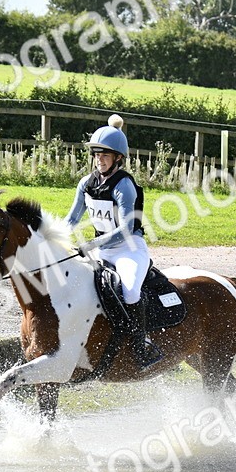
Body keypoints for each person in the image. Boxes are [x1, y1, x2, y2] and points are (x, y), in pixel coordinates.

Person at [66, 114, 164, 369]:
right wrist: (52, 238)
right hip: (101, 250)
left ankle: (141, 345)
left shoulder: (124, 185)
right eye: (97, 154)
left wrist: (92, 245)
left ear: (118, 158)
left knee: (130, 291)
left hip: (128, 250)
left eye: (105, 155)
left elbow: (126, 229)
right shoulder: (86, 184)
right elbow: (72, 219)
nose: (99, 159)